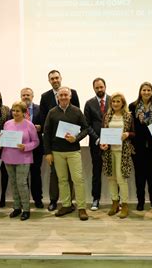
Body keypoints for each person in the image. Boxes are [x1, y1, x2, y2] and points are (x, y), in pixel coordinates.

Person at [43, 87, 89, 221]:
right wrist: (48, 153)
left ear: (70, 97)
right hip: (57, 152)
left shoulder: (76, 111)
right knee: (62, 180)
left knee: (78, 179)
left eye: (65, 95)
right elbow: (46, 134)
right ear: (57, 97)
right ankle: (67, 205)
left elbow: (86, 129)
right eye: (61, 95)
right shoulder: (52, 113)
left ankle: (81, 208)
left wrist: (76, 138)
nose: (63, 97)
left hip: (73, 151)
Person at [40, 70, 79, 211]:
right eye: (52, 78)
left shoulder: (72, 92)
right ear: (49, 80)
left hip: (70, 142)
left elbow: (77, 116)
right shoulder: (45, 97)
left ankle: (69, 202)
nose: (55, 80)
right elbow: (45, 123)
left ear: (61, 78)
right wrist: (48, 150)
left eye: (57, 77)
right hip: (55, 144)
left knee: (71, 176)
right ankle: (53, 200)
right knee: (55, 174)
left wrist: (73, 136)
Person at [0, 101, 40, 221]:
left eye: (18, 111)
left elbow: (36, 141)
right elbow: (5, 140)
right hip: (8, 157)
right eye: (13, 110)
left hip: (23, 157)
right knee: (13, 183)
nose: (15, 113)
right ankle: (17, 207)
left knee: (22, 183)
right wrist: (0, 141)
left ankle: (26, 209)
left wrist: (26, 147)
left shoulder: (29, 125)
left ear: (24, 112)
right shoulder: (7, 124)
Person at [100, 92, 135, 218]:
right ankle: (114, 203)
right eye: (113, 101)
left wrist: (128, 134)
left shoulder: (128, 116)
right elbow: (104, 133)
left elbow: (134, 133)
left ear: (123, 103)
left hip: (122, 151)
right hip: (109, 152)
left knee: (121, 179)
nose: (115, 104)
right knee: (111, 178)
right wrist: (103, 143)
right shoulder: (107, 116)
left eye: (118, 101)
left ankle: (124, 204)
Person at [129, 82, 152, 211]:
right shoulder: (133, 106)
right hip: (138, 145)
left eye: (148, 90)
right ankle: (140, 201)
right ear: (140, 91)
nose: (146, 92)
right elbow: (130, 125)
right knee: (139, 175)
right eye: (144, 90)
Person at [84, 77, 110, 211]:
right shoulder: (89, 103)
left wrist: (110, 139)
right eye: (97, 87)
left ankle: (116, 200)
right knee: (96, 171)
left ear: (105, 87)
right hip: (96, 143)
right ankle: (96, 199)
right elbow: (87, 125)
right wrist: (98, 139)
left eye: (101, 87)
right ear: (93, 88)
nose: (99, 89)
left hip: (112, 143)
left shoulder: (114, 100)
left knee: (115, 173)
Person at [21, 87, 44, 209]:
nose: (25, 97)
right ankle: (24, 200)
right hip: (21, 149)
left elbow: (47, 125)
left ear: (32, 96)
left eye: (28, 95)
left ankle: (37, 199)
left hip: (36, 148)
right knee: (23, 176)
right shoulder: (16, 110)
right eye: (23, 95)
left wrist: (41, 127)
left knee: (35, 174)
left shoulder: (40, 109)